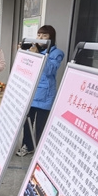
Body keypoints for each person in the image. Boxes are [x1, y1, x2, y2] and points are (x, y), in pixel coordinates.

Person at [17, 25, 64, 157]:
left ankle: (40, 151)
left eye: (44, 35)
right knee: (27, 122)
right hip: (31, 91)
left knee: (41, 125)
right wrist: (23, 52)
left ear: (51, 37)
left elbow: (50, 71)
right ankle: (28, 146)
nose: (41, 38)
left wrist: (38, 55)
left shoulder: (57, 53)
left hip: (45, 94)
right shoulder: (33, 49)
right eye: (39, 35)